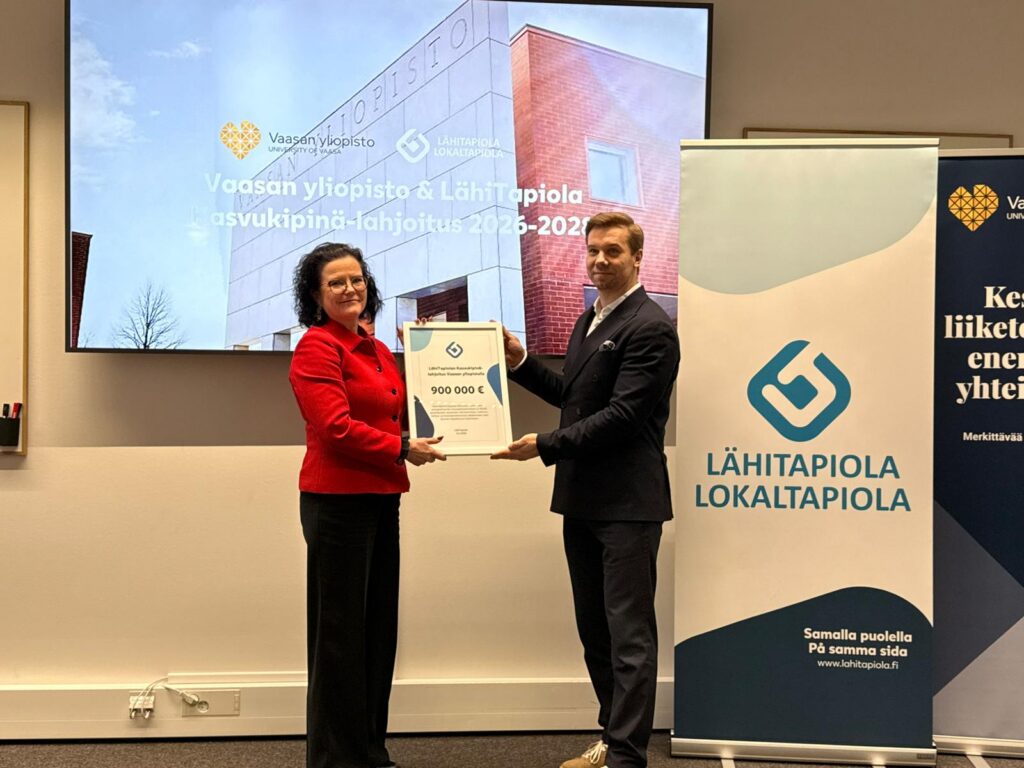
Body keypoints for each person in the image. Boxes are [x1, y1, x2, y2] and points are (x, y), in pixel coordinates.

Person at [492, 212, 680, 768]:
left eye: (613, 251)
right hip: (582, 499)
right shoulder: (589, 319)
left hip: (628, 505)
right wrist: (521, 363)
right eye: (593, 250)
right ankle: (611, 739)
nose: (600, 260)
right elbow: (575, 400)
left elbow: (622, 417)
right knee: (596, 631)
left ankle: (626, 758)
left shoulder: (651, 326)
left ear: (637, 258)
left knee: (629, 636)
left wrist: (545, 444)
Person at [289, 242, 445, 768]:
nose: (349, 288)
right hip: (336, 504)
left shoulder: (375, 348)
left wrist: (422, 351)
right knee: (339, 640)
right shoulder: (316, 347)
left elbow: (395, 409)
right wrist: (401, 448)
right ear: (316, 295)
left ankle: (369, 753)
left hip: (381, 498)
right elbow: (335, 428)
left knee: (377, 633)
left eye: (356, 279)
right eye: (335, 282)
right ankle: (336, 760)